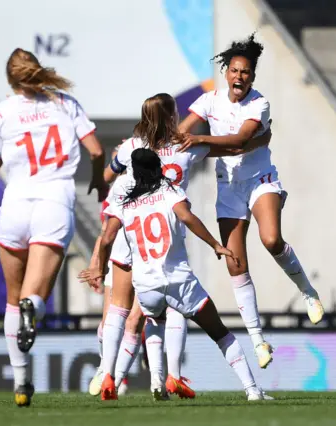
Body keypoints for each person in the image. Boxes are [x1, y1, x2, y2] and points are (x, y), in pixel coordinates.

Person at [87, 93, 272, 398]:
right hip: (169, 241)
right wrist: (260, 140)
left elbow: (108, 176)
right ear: (171, 117)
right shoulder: (185, 149)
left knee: (123, 311)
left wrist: (102, 180)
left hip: (129, 233)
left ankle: (111, 374)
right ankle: (171, 376)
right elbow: (234, 146)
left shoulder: (131, 148)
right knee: (177, 312)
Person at [178, 34, 324, 369]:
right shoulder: (208, 101)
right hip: (229, 187)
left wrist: (198, 141)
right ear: (226, 73)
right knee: (234, 263)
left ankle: (307, 292)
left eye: (246, 72)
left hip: (260, 180)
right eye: (235, 70)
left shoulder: (260, 104)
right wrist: (156, 144)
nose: (240, 76)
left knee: (271, 239)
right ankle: (259, 341)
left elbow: (241, 142)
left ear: (252, 78)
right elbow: (180, 133)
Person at [0, 48, 107, 407]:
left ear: (11, 79)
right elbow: (97, 151)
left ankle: (21, 385)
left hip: (15, 206)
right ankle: (33, 310)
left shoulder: (2, 110)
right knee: (33, 298)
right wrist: (99, 181)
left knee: (11, 298)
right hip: (53, 204)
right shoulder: (65, 103)